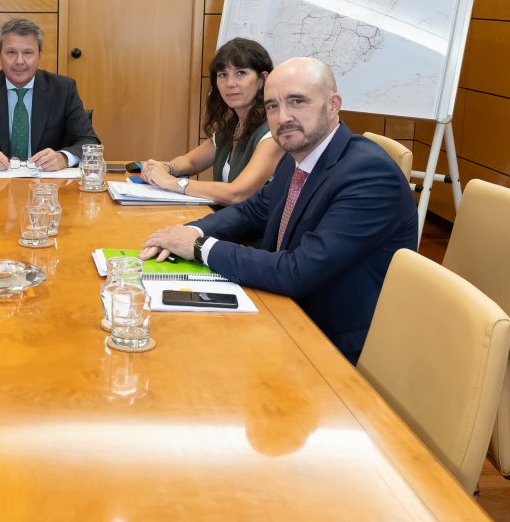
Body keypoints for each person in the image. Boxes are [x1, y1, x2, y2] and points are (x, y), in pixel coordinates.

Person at [141, 57, 418, 364]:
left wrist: (199, 247)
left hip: (335, 345)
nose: (283, 117)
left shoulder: (368, 175)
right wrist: (192, 231)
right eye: (272, 106)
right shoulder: (297, 156)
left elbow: (296, 272)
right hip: (287, 312)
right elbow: (252, 212)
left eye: (297, 101)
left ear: (333, 104)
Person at [139, 38, 282, 206]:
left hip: (255, 230)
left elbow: (237, 194)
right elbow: (191, 162)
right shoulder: (233, 126)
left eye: (241, 73)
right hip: (227, 222)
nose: (230, 83)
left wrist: (172, 183)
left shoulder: (273, 133)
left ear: (261, 80)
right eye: (223, 75)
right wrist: (165, 168)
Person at [0, 17, 99, 172]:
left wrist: (63, 158)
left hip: (48, 187)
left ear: (39, 54)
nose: (19, 61)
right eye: (11, 52)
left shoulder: (63, 89)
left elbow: (90, 142)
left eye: (28, 52)